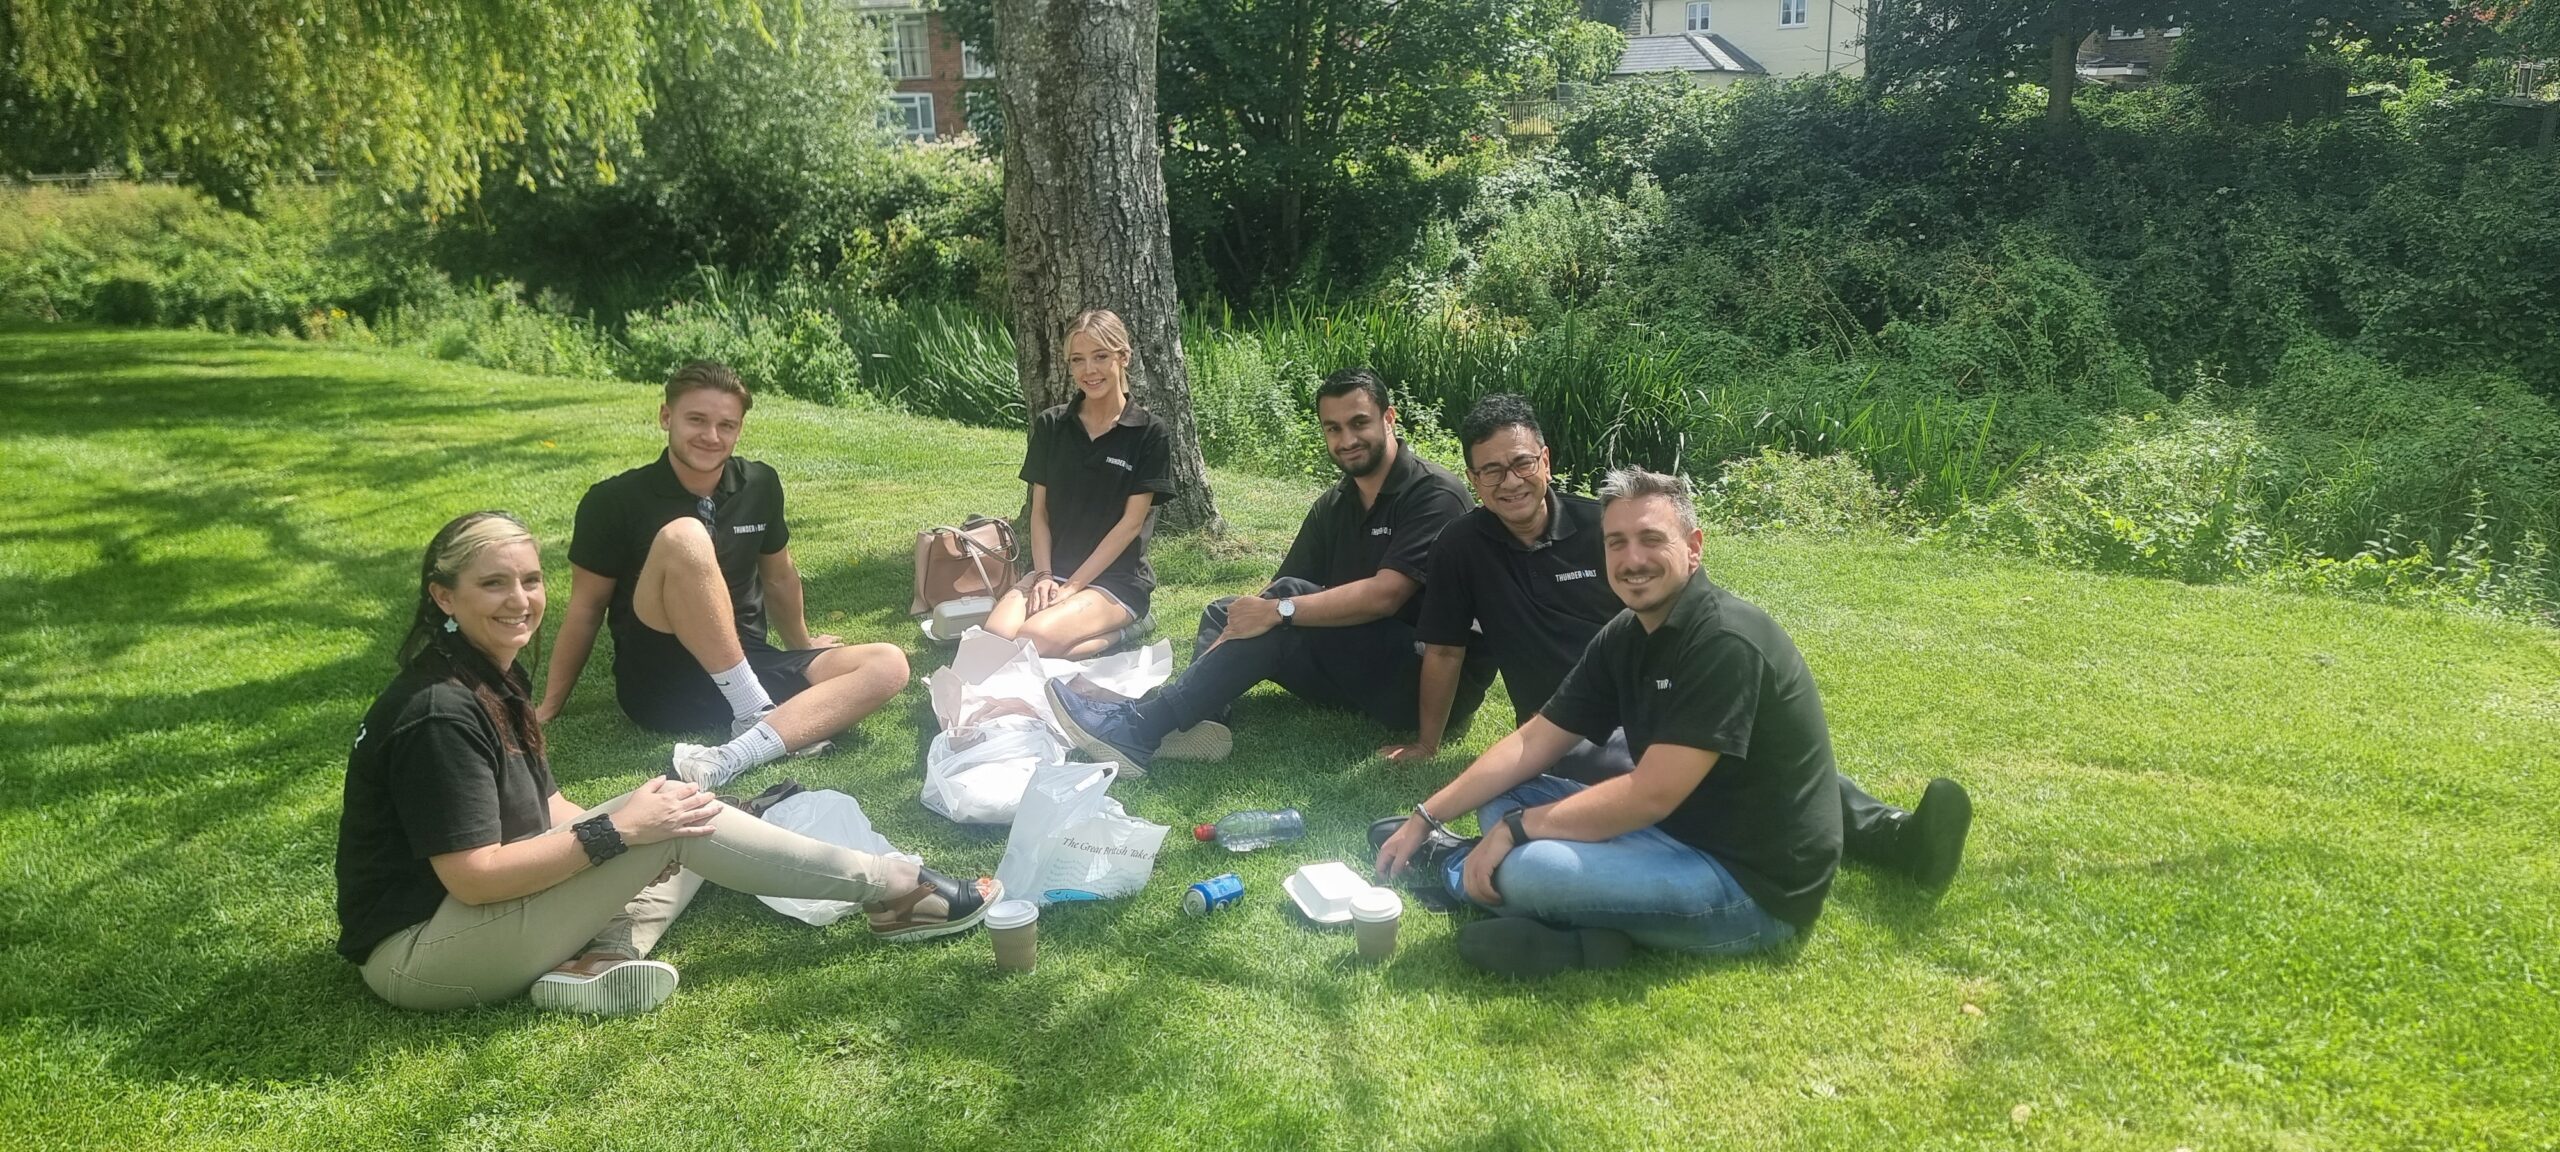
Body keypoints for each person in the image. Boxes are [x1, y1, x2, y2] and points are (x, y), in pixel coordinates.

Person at [337, 512, 998, 1016]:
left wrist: (640, 814)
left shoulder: (484, 675)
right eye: (493, 584)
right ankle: (896, 888)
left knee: (670, 809)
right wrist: (622, 831)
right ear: (444, 597)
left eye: (531, 580)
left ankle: (600, 959)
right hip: (420, 953)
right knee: (665, 827)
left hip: (470, 919)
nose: (520, 599)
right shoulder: (439, 713)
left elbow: (547, 810)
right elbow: (476, 878)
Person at [1382, 394, 1971, 890]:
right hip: (1568, 725)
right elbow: (1445, 649)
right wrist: (1429, 741)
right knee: (1661, 767)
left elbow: (1675, 611)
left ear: (1546, 461)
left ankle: (1892, 833)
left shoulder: (1605, 528)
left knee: (1743, 750)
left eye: (1520, 463)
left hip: (1645, 692)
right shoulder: (1461, 546)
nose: (1509, 482)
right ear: (1474, 476)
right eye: (1490, 470)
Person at [1373, 469, 1849, 977]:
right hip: (1668, 834)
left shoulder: (1724, 642)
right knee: (1502, 791)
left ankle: (1454, 870)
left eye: (1651, 539)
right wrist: (1427, 816)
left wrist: (1517, 831)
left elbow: (1651, 794)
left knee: (1535, 868)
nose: (1632, 560)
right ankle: (1582, 932)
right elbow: (1533, 740)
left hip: (1748, 887)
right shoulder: (1628, 632)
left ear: (1694, 547)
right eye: (1616, 543)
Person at [1045, 368, 1495, 776]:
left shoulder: (1434, 494)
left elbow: (1386, 596)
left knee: (1281, 608)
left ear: (1389, 418)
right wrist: (1251, 619)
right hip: (1362, 662)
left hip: (1422, 682)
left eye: (1359, 423)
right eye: (1333, 429)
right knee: (1229, 612)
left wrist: (1277, 610)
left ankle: (1140, 729)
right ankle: (1200, 718)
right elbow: (1271, 597)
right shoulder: (1336, 504)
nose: (1347, 439)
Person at [539, 361, 909, 790]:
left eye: (726, 425)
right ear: (666, 417)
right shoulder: (613, 500)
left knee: (888, 664)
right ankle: (756, 710)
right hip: (662, 684)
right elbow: (586, 608)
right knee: (686, 536)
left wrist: (802, 647)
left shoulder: (760, 484)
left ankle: (737, 750)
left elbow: (779, 578)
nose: (711, 437)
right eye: (696, 420)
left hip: (750, 662)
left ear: (739, 429)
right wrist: (551, 703)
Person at [982, 309, 1174, 659]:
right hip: (1051, 571)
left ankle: (1131, 623)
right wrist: (1043, 576)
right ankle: (1081, 638)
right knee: (994, 640)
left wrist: (1071, 587)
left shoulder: (1149, 432)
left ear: (1124, 356)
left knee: (1032, 640)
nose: (1089, 370)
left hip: (1115, 581)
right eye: (1077, 360)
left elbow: (1130, 525)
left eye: (1100, 356)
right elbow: (1039, 513)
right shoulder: (1052, 425)